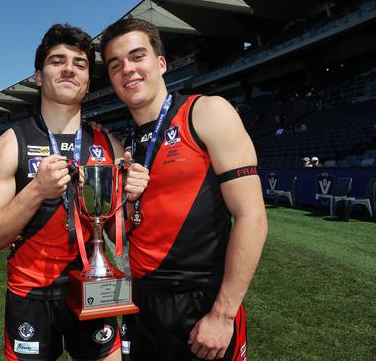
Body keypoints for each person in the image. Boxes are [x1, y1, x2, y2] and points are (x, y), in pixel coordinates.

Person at [0, 24, 149, 361]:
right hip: (30, 295)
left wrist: (130, 200)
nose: (69, 68)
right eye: (57, 61)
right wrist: (36, 191)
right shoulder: (11, 143)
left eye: (80, 64)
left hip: (95, 287)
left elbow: (117, 233)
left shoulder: (108, 145)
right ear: (39, 76)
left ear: (87, 80)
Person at [100, 18, 268, 361]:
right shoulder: (124, 144)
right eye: (115, 64)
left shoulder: (207, 112)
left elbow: (251, 216)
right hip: (141, 304)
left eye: (137, 56)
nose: (127, 69)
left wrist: (223, 314)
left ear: (161, 63)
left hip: (201, 303)